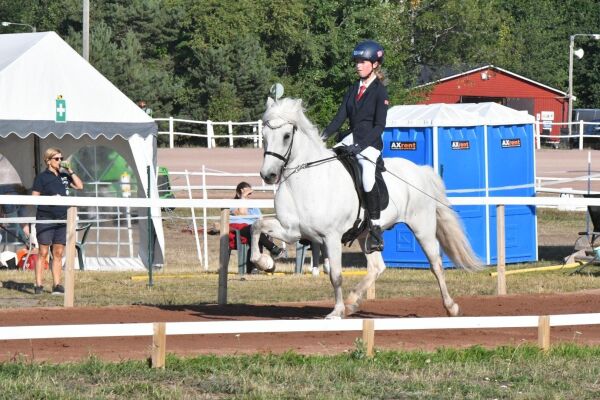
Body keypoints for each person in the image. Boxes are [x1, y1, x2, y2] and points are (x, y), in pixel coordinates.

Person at [321, 40, 389, 253]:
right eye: (357, 62)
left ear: (375, 64)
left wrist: (360, 146)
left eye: (362, 62)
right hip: (349, 139)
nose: (358, 66)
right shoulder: (352, 89)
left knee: (367, 176)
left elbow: (379, 127)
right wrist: (321, 136)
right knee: (326, 162)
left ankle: (375, 227)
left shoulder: (380, 92)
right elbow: (339, 118)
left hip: (369, 144)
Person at [31, 148, 83, 295]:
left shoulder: (65, 175)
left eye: (61, 158)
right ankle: (39, 285)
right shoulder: (41, 177)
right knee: (43, 252)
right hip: (45, 218)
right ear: (48, 160)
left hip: (62, 219)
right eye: (57, 159)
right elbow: (34, 198)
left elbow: (80, 186)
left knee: (58, 253)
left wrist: (70, 170)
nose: (60, 161)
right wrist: (51, 198)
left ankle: (57, 284)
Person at [230, 182, 283, 273]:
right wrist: (243, 197)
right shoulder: (233, 204)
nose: (249, 196)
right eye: (247, 193)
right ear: (239, 193)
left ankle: (254, 268)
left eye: (250, 194)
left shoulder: (254, 206)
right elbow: (242, 213)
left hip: (253, 229)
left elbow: (260, 219)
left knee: (257, 233)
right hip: (239, 228)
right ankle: (273, 249)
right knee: (255, 231)